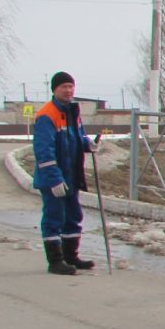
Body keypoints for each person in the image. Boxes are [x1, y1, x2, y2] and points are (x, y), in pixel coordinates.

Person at [31, 71, 101, 275]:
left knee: (73, 215)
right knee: (54, 217)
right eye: (64, 87)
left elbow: (76, 138)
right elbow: (43, 150)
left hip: (71, 175)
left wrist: (88, 144)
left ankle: (71, 256)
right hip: (53, 179)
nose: (69, 90)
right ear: (54, 89)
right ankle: (55, 261)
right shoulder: (47, 115)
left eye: (71, 86)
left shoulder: (72, 113)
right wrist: (54, 179)